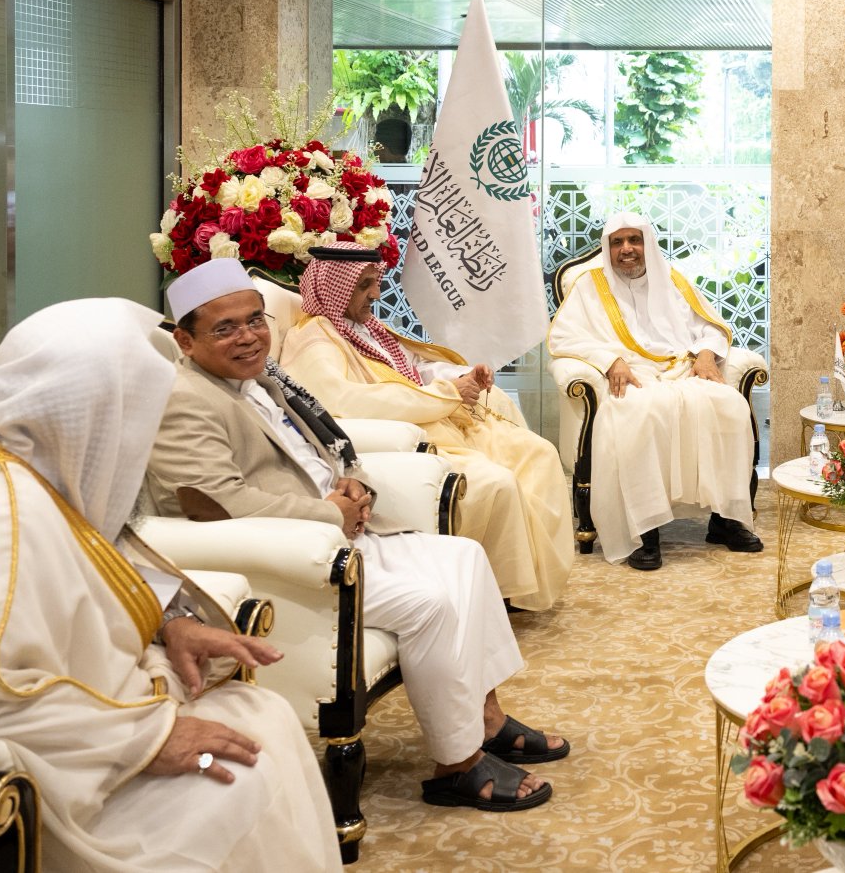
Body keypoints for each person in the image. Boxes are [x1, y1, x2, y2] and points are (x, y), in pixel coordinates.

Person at [0, 298, 342, 873]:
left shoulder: (11, 447)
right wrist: (147, 741)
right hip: (27, 768)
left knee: (261, 715)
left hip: (65, 720)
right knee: (244, 772)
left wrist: (170, 621)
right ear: (94, 411)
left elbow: (89, 549)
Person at [146, 259, 566, 812]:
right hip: (295, 553)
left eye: (254, 320)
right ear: (185, 339)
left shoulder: (261, 374)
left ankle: (486, 720)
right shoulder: (185, 399)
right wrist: (329, 514)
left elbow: (333, 440)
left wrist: (356, 485)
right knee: (429, 603)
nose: (247, 337)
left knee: (465, 556)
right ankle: (457, 765)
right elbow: (219, 503)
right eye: (225, 328)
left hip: (343, 530)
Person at [279, 244, 573, 611]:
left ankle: (531, 580)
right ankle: (499, 587)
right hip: (411, 437)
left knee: (540, 453)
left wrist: (462, 376)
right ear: (333, 285)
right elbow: (347, 402)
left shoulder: (364, 328)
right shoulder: (314, 339)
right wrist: (447, 394)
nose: (376, 293)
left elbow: (412, 369)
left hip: (439, 418)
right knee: (497, 481)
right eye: (364, 285)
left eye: (376, 282)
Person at [545, 213, 763, 571]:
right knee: (638, 413)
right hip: (630, 376)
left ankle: (725, 520)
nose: (626, 249)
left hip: (680, 369)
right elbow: (565, 338)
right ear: (607, 248)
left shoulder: (672, 281)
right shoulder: (589, 286)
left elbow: (710, 327)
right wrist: (610, 361)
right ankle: (644, 530)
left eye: (634, 240)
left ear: (647, 244)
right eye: (617, 242)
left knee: (729, 405)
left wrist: (706, 355)